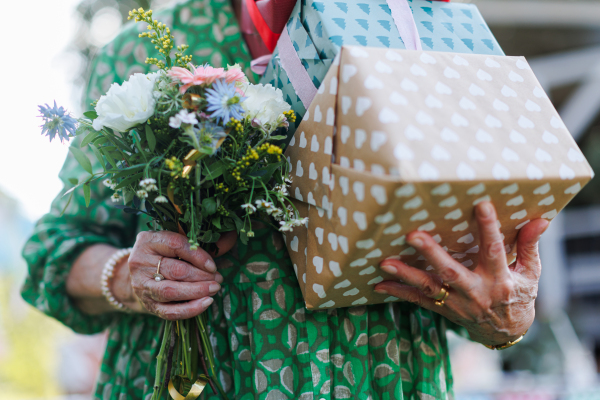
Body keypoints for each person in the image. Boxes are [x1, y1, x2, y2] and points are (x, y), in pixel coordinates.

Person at [22, 0, 549, 398]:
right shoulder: (144, 50)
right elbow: (56, 251)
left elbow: (482, 231)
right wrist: (127, 276)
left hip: (382, 377)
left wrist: (506, 319)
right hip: (200, 381)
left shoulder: (421, 32)